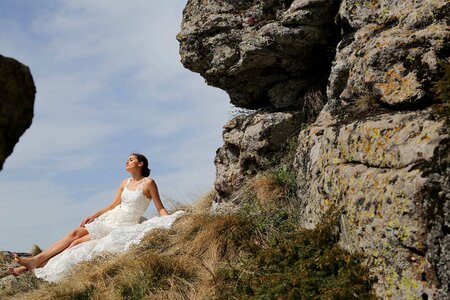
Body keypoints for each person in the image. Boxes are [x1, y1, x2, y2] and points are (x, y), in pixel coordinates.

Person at [8, 153, 168, 276]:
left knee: (75, 244)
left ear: (140, 164)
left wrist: (169, 221)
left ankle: (31, 266)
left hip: (124, 224)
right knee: (74, 233)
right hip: (112, 217)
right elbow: (113, 205)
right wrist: (93, 215)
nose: (127, 161)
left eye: (131, 159)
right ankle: (34, 261)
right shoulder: (124, 182)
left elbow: (159, 207)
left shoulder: (148, 183)